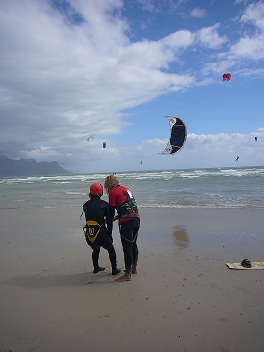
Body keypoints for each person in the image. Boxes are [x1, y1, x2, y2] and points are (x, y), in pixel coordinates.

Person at [104, 175, 140, 282]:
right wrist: (115, 219)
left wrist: (107, 221)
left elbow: (110, 212)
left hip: (127, 222)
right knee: (133, 244)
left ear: (108, 184)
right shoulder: (126, 189)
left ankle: (127, 275)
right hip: (136, 219)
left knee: (127, 248)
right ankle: (134, 268)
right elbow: (126, 208)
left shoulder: (113, 193)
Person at [83, 182, 120, 276]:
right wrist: (110, 235)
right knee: (111, 249)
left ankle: (96, 268)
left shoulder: (86, 205)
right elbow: (110, 221)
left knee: (95, 249)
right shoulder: (104, 204)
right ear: (101, 192)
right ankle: (114, 269)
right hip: (101, 235)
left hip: (89, 235)